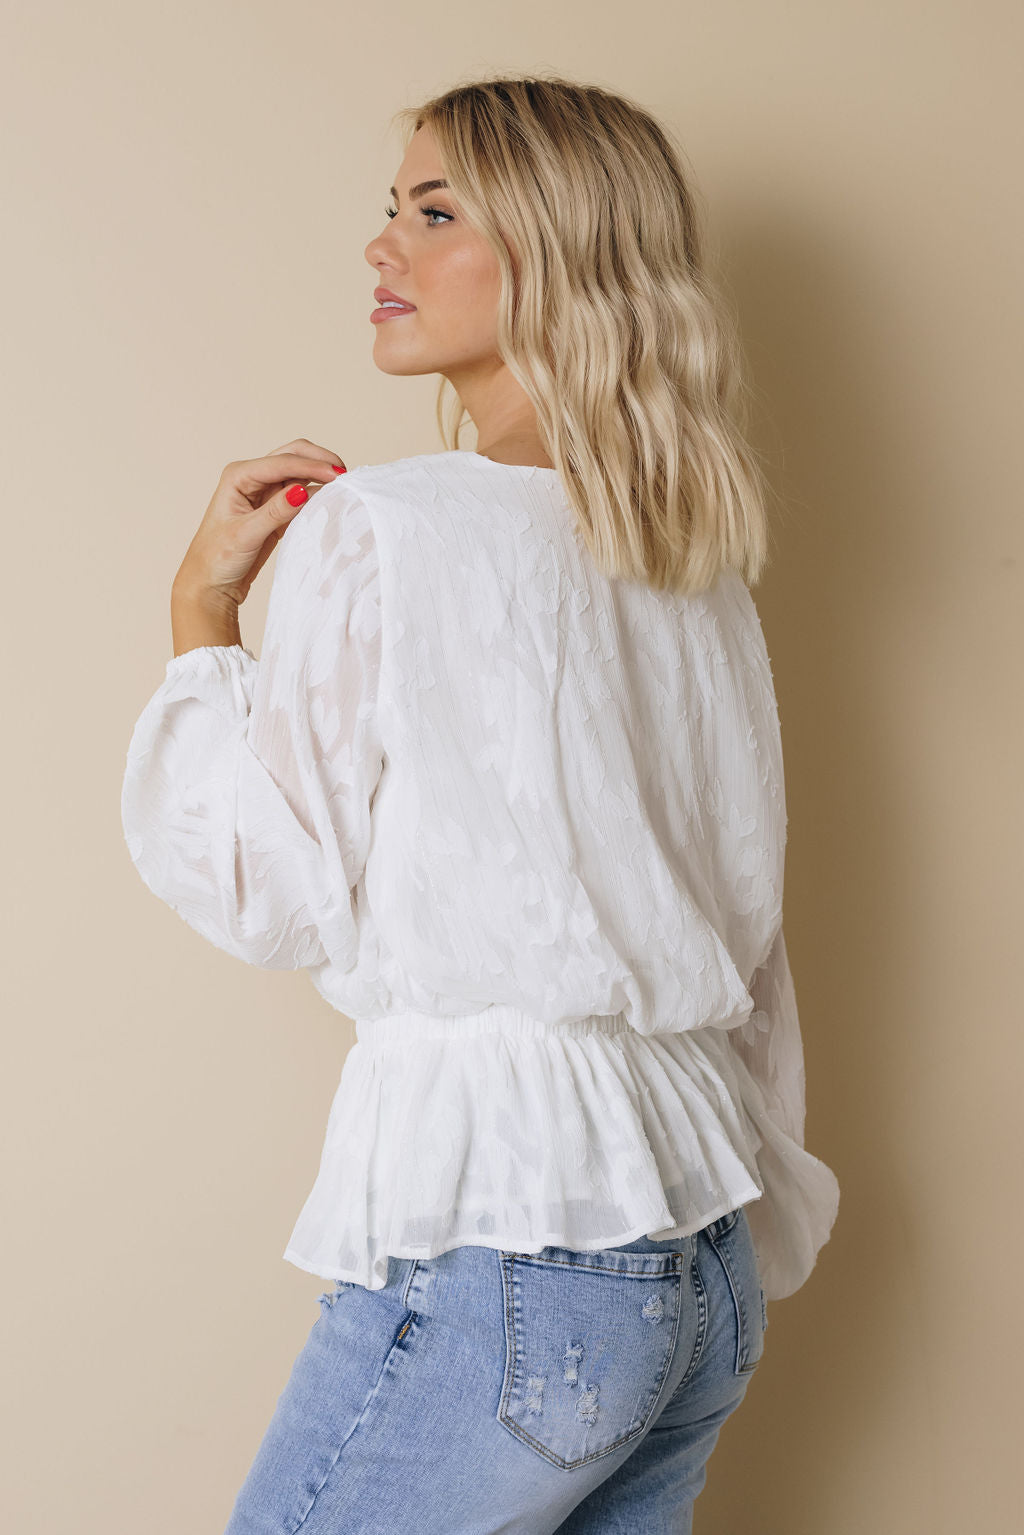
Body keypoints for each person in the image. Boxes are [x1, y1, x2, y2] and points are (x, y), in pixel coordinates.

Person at [121, 74, 839, 1535]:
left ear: (559, 246)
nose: (382, 247)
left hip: (512, 1237)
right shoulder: (690, 562)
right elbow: (750, 930)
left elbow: (271, 891)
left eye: (436, 212)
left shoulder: (388, 529)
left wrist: (201, 618)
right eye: (390, 210)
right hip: (699, 1252)